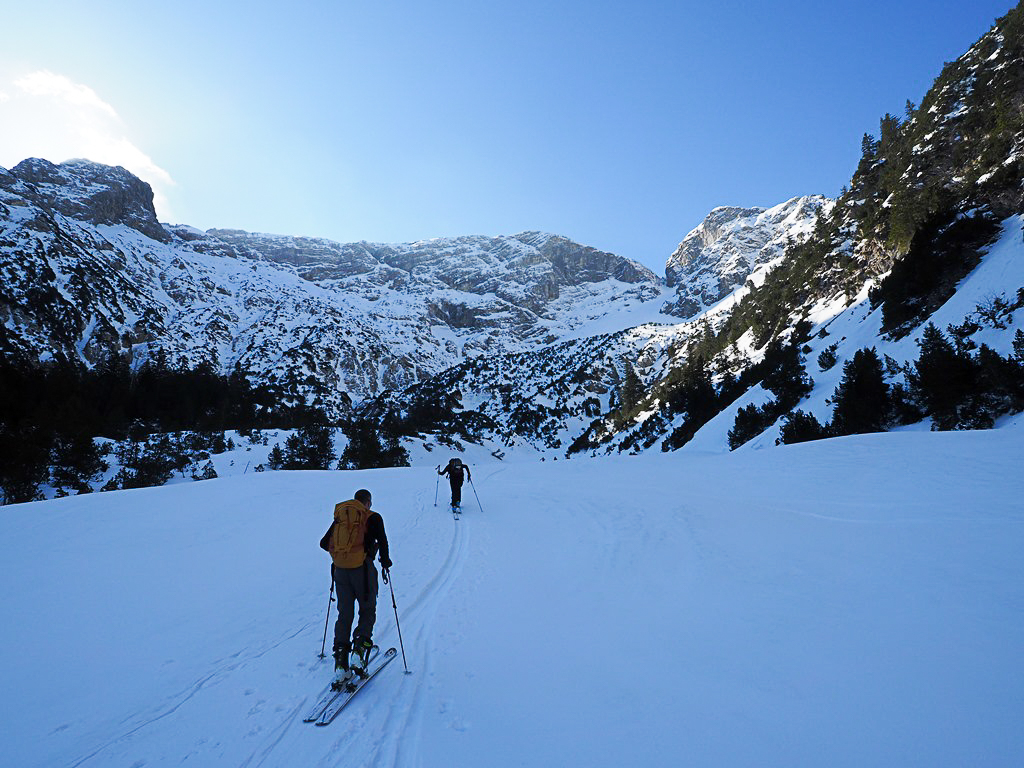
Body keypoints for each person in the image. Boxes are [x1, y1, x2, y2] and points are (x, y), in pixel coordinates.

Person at [327, 488, 391, 687]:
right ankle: (359, 652)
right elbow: (383, 541)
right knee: (367, 610)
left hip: (340, 570)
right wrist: (385, 562)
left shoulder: (341, 517)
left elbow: (324, 542)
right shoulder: (372, 517)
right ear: (368, 502)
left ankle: (340, 663)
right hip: (362, 570)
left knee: (344, 614)